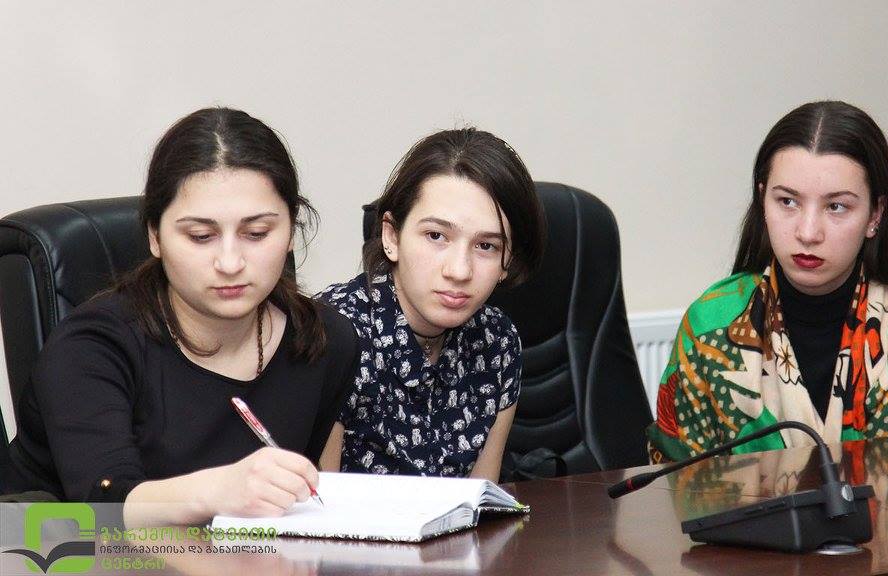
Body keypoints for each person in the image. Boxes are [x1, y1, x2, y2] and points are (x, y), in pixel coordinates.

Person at [4, 108, 358, 527]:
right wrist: (219, 491)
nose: (230, 262)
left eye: (257, 233)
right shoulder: (92, 346)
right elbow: (102, 505)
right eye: (201, 236)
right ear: (155, 236)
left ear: (291, 232)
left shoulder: (325, 340)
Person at [647, 101, 888, 463]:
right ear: (762, 201)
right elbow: (677, 480)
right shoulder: (710, 324)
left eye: (836, 207)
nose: (808, 232)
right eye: (787, 201)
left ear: (875, 215)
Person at [316, 128, 545, 482]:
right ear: (391, 236)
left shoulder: (496, 340)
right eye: (436, 236)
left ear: (507, 261)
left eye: (486, 246)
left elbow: (480, 501)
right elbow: (321, 506)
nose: (459, 271)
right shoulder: (335, 333)